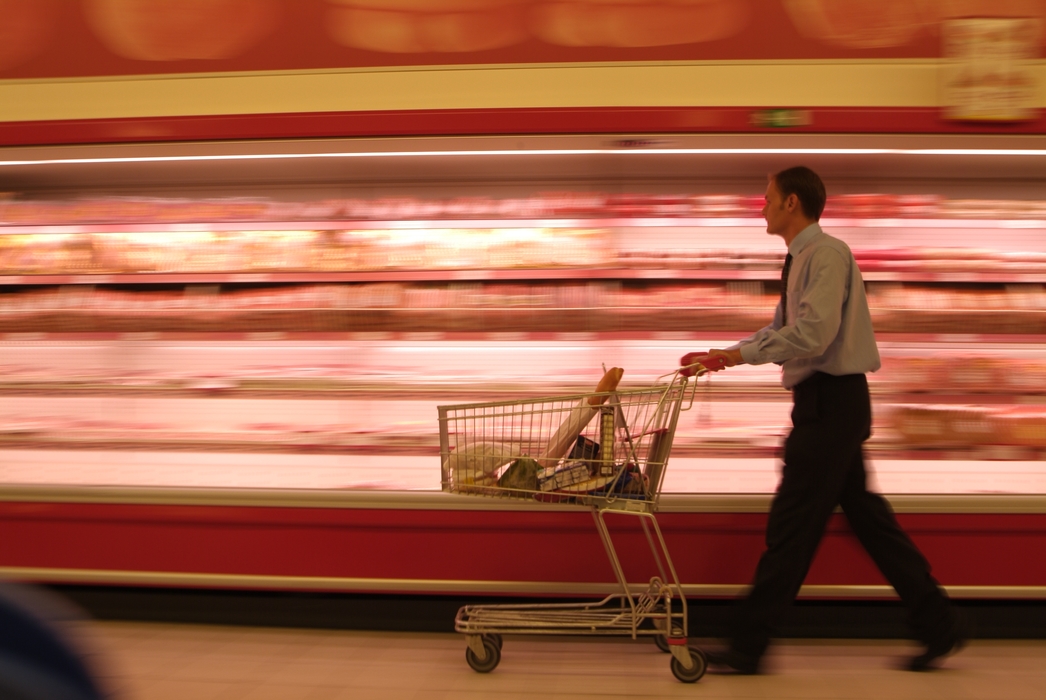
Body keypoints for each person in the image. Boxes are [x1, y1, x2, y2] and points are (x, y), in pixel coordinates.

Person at [679, 166, 967, 674]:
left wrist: (737, 357)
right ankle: (939, 625)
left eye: (767, 198)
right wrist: (723, 354)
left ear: (792, 202)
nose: (761, 206)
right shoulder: (799, 259)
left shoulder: (826, 254)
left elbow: (813, 335)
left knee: (792, 526)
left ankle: (749, 644)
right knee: (869, 522)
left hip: (833, 402)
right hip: (825, 402)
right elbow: (781, 327)